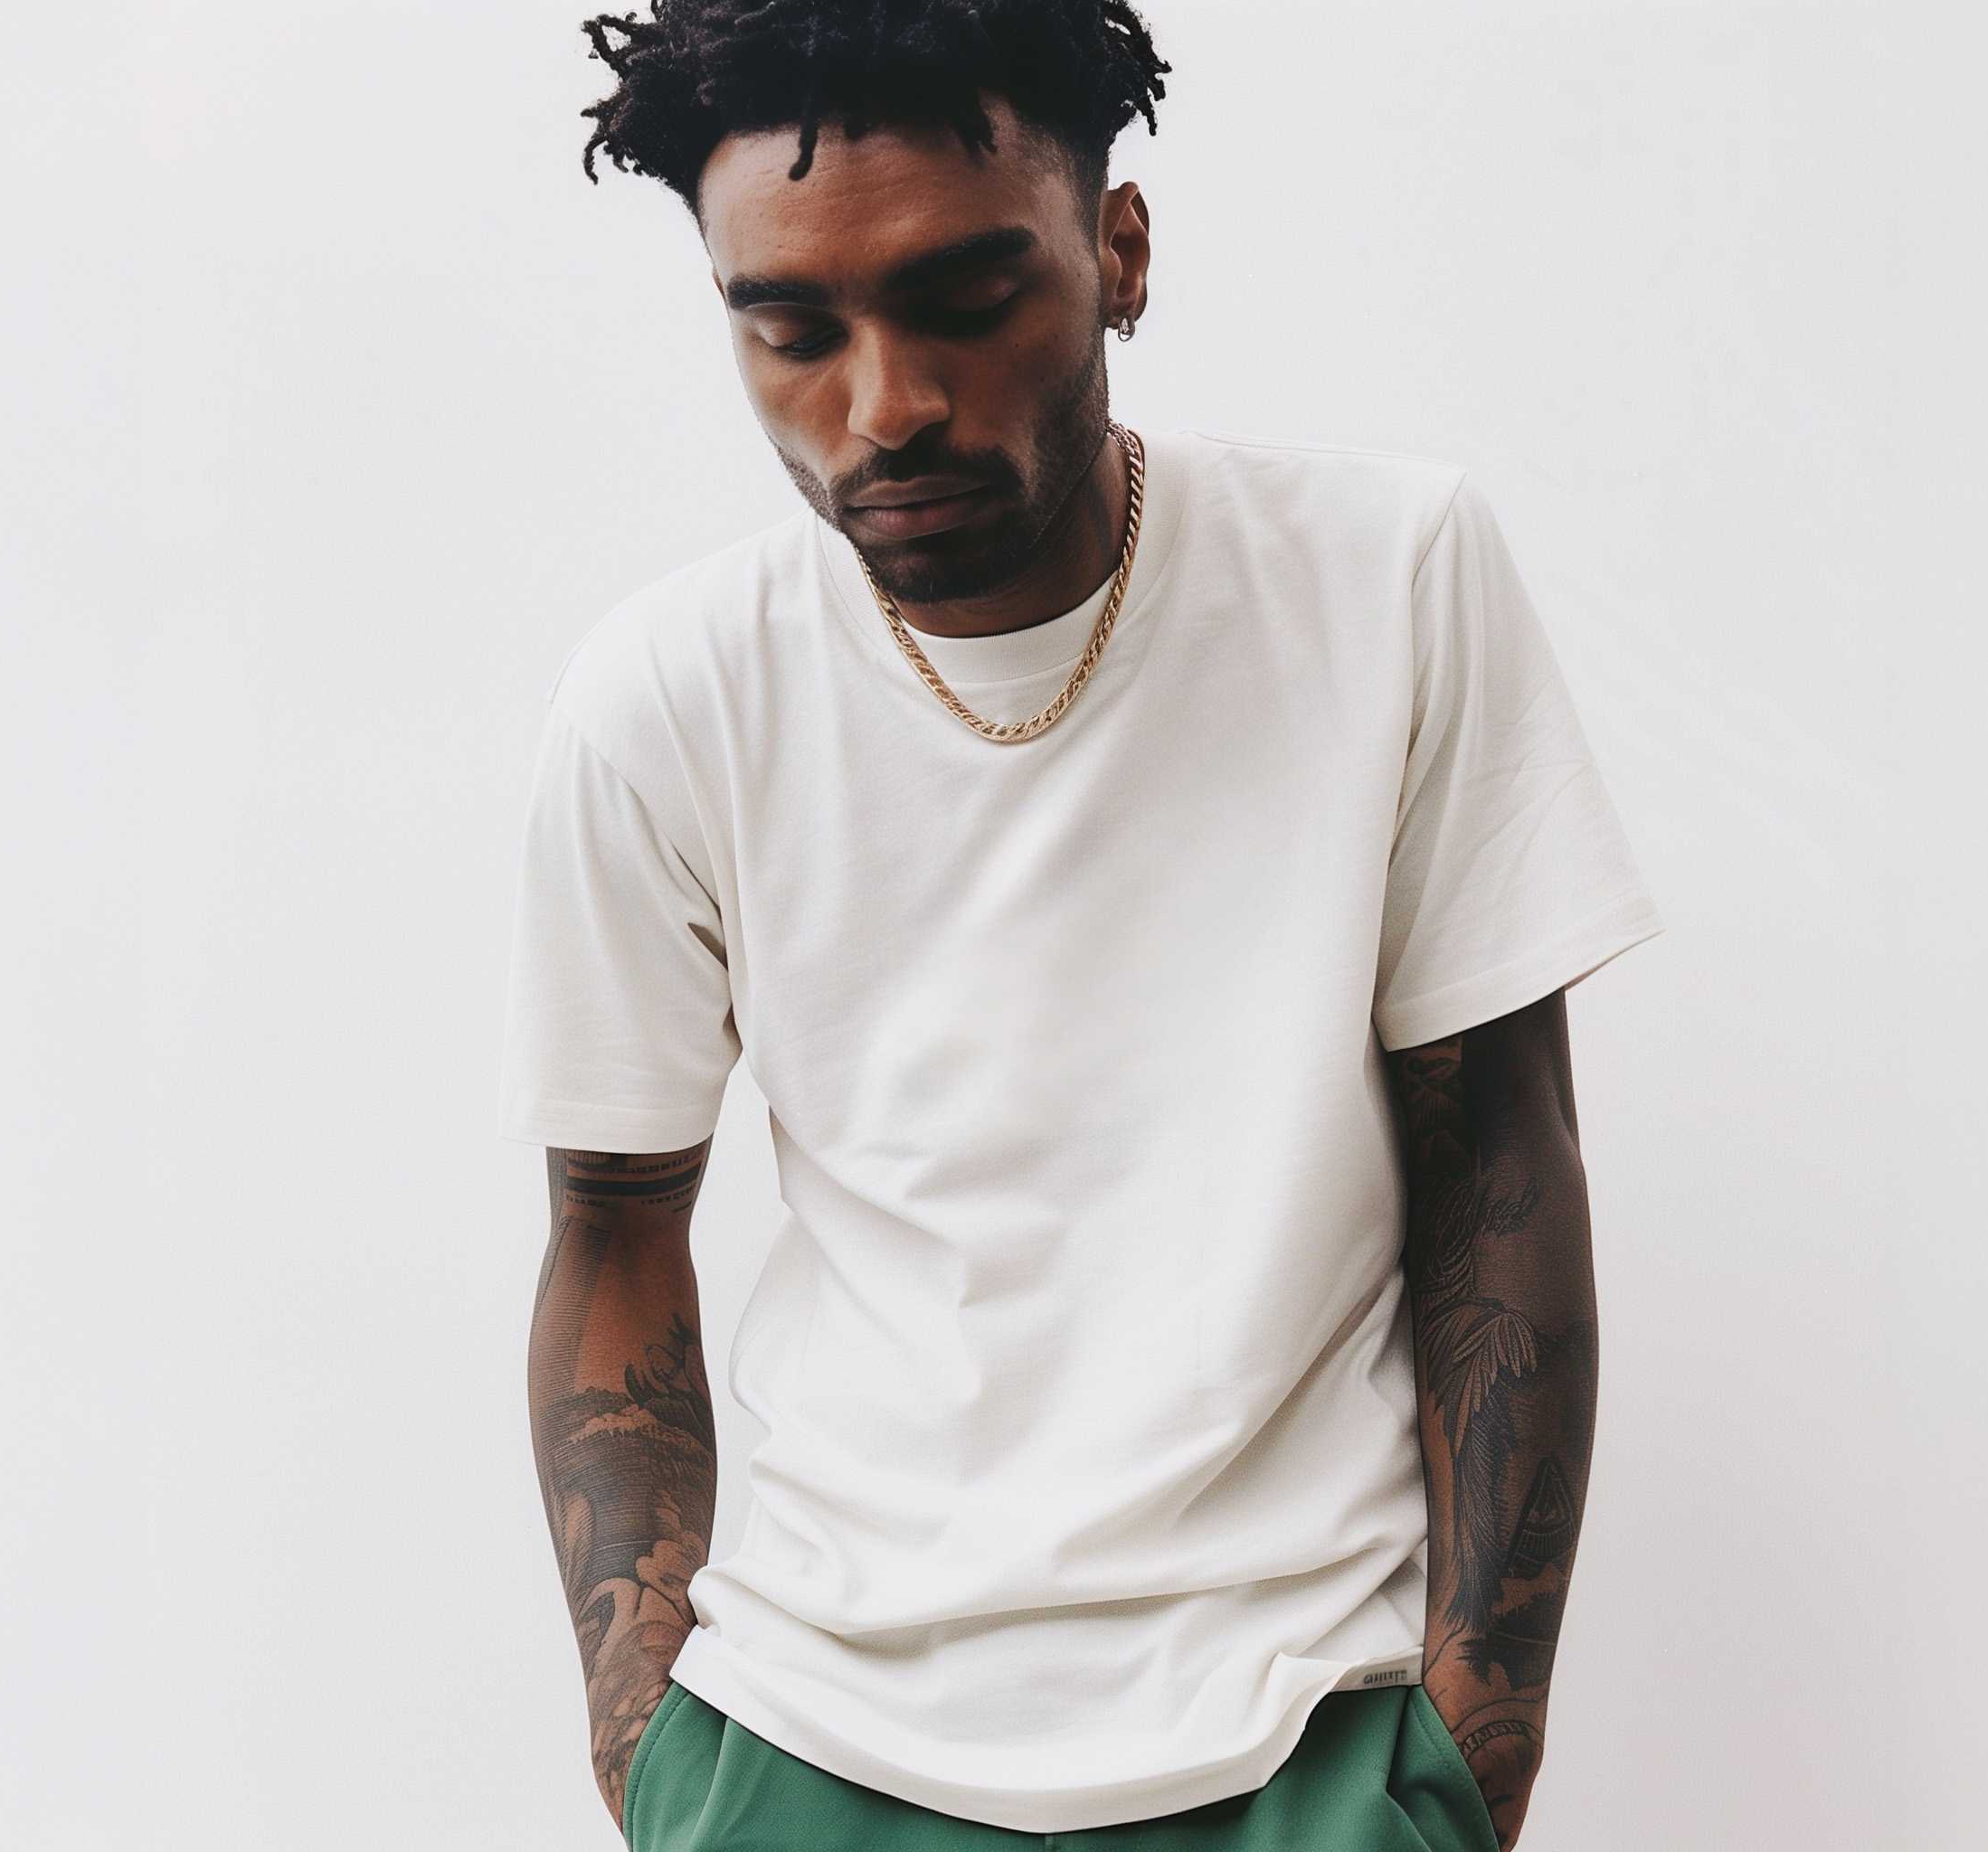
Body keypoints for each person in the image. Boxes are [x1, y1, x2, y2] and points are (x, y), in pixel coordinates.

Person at [500, 5, 1662, 1846]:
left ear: (1116, 252)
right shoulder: (668, 693)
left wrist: (1470, 1749)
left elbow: (1500, 1164)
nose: (884, 404)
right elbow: (613, 1224)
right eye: (790, 331)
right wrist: (647, 1752)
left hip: (1306, 1734)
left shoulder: (1386, 578)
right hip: (801, 1743)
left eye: (966, 300)